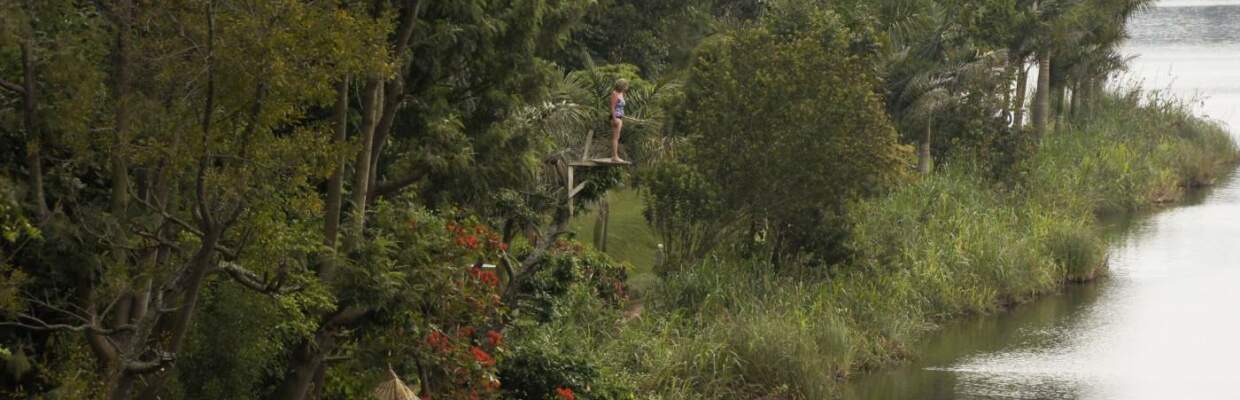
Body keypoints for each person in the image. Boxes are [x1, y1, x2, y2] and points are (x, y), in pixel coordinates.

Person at [608, 79, 629, 163]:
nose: (627, 88)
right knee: (615, 138)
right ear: (622, 85)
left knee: (617, 137)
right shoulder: (615, 93)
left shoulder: (621, 93)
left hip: (620, 117)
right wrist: (614, 119)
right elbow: (612, 107)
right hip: (616, 117)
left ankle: (615, 156)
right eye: (626, 86)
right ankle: (615, 156)